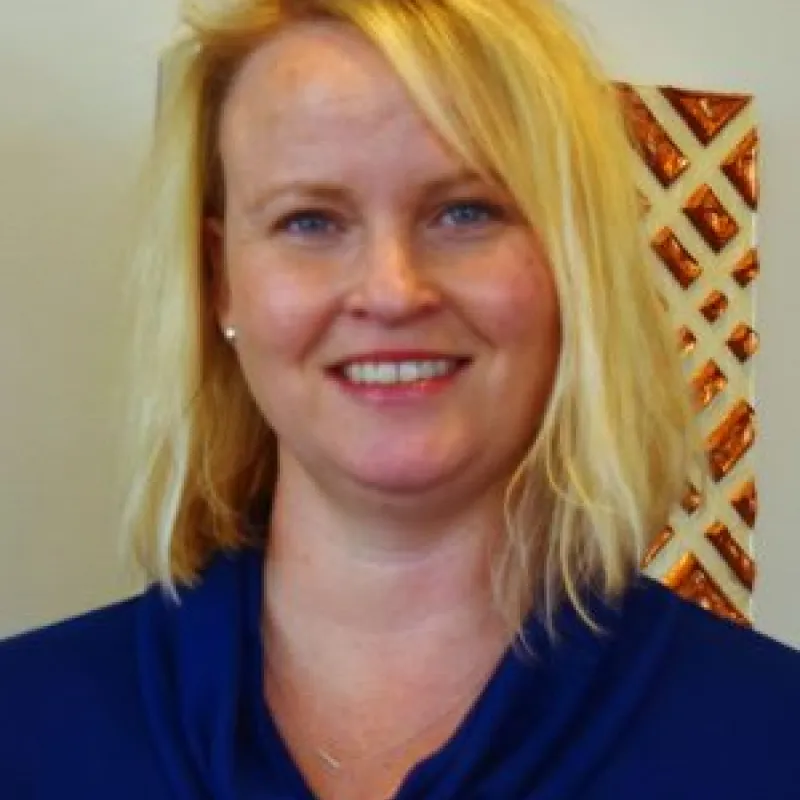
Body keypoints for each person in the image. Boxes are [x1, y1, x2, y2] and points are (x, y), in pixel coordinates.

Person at [2, 0, 799, 797]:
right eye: (310, 221)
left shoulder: (771, 739)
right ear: (222, 282)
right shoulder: (24, 728)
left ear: (572, 263)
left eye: (466, 211)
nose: (391, 291)